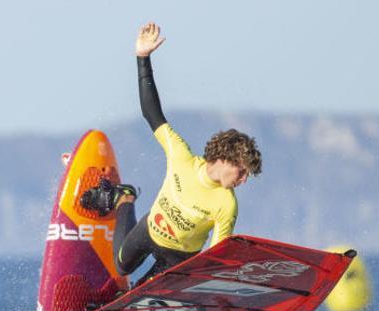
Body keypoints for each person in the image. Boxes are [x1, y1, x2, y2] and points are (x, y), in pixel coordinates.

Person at [81, 22, 262, 285]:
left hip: (179, 258)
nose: (244, 179)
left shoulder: (227, 204)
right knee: (121, 266)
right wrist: (143, 58)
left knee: (143, 297)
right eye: (242, 171)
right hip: (150, 230)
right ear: (225, 160)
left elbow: (215, 254)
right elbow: (151, 113)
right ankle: (125, 197)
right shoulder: (181, 156)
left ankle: (131, 301)